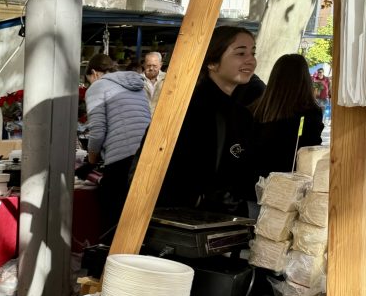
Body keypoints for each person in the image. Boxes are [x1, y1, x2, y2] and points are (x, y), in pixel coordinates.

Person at [159, 26, 264, 215]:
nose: (251, 60)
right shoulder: (190, 109)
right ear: (212, 63)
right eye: (240, 53)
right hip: (190, 224)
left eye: (253, 52)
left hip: (222, 221)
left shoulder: (239, 112)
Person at [83, 54, 151, 236]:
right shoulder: (136, 85)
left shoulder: (98, 86)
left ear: (94, 73)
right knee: (137, 217)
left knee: (114, 218)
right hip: (147, 153)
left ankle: (111, 259)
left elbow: (97, 130)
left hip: (122, 158)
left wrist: (90, 160)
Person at [249, 54, 324, 178]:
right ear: (305, 79)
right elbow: (311, 151)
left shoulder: (256, 109)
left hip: (254, 182)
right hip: (288, 185)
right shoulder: (310, 113)